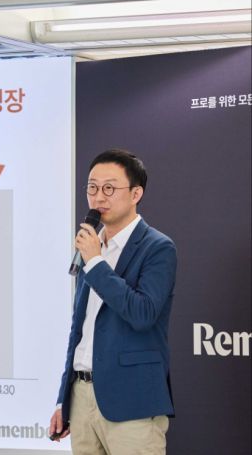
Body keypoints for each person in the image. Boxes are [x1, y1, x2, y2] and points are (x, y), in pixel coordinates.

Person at [49, 149, 177, 454]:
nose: (98, 197)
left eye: (109, 188)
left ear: (136, 194)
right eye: (92, 187)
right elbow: (80, 331)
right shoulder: (92, 247)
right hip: (81, 400)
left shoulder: (157, 247)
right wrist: (64, 399)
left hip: (132, 401)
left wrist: (95, 263)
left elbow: (143, 313)